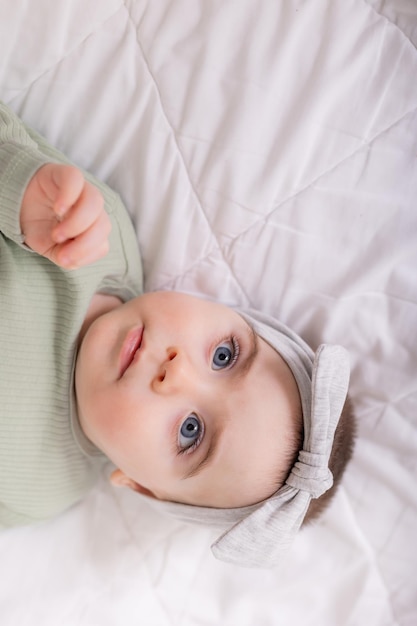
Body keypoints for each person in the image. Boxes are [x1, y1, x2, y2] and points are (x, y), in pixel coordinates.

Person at [0, 101, 355, 568]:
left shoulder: (38, 488)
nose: (176, 371)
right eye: (225, 356)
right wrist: (19, 187)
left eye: (191, 431)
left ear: (138, 483)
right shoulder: (94, 236)